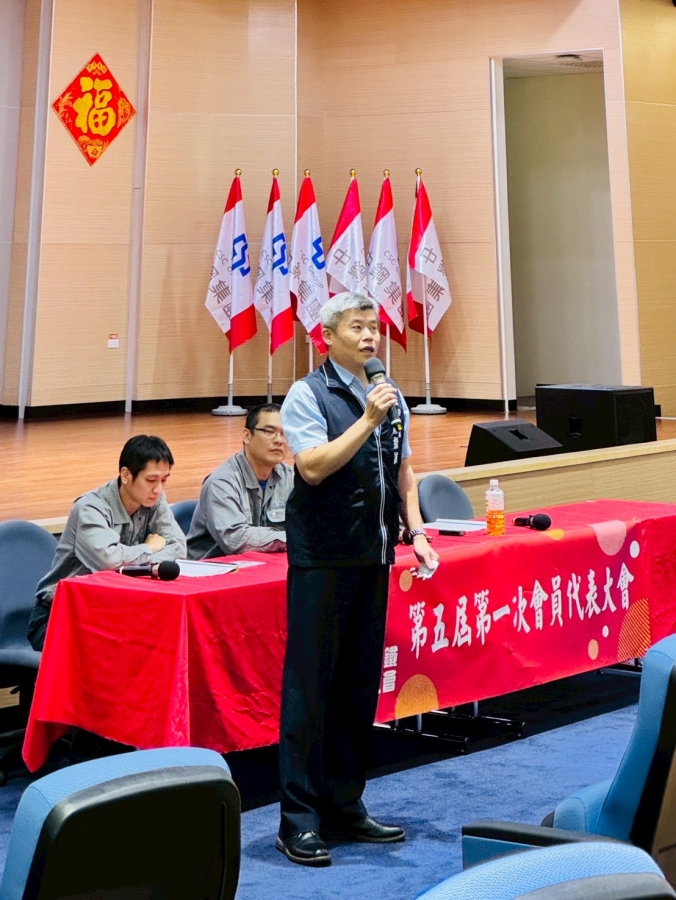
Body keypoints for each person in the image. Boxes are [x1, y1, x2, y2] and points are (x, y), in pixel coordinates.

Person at [276, 292, 439, 867]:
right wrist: (367, 419)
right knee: (310, 692)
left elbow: (404, 469)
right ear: (328, 337)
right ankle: (298, 821)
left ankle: (345, 806)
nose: (371, 337)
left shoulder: (389, 395)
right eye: (358, 327)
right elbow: (312, 467)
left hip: (374, 558)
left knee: (356, 689)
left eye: (374, 327)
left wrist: (416, 531)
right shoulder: (307, 394)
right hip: (322, 561)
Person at [27, 435, 186, 651]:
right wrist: (149, 548)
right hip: (59, 615)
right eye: (151, 480)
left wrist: (132, 559)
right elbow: (109, 562)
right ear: (126, 475)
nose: (158, 489)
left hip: (114, 611)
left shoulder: (155, 500)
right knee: (116, 654)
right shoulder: (90, 508)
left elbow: (178, 547)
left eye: (164, 480)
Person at [187, 403, 293, 559]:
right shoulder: (222, 483)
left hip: (266, 563)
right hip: (216, 568)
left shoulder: (291, 477)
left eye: (285, 434)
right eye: (269, 431)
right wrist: (292, 537)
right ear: (247, 436)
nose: (279, 440)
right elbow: (235, 539)